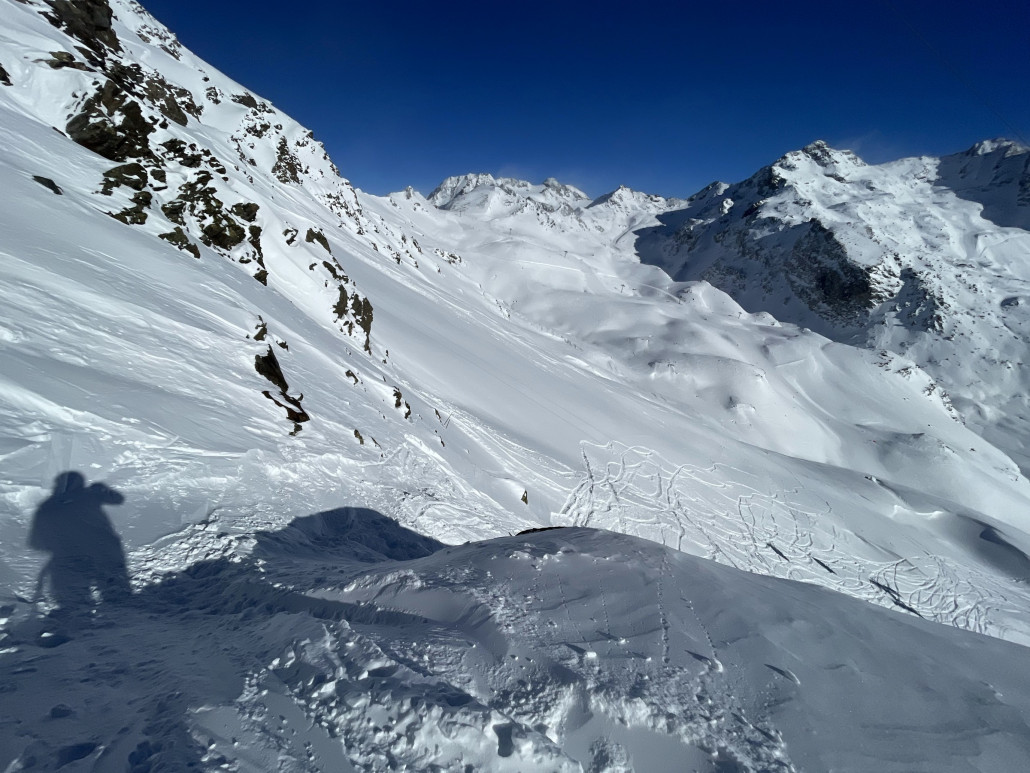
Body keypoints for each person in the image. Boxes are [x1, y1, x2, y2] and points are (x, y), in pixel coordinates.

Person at [28, 471, 131, 614]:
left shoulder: (48, 506)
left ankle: (83, 626)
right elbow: (118, 499)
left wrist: (59, 548)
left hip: (73, 556)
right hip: (103, 551)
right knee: (117, 595)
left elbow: (36, 542)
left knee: (75, 603)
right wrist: (103, 489)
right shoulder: (90, 495)